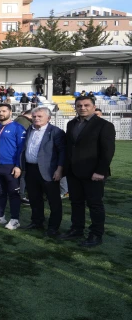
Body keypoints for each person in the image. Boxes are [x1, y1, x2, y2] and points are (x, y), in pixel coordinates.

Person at [62, 96, 116, 247]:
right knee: (76, 203)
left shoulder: (104, 125)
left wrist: (101, 171)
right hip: (74, 172)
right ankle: (77, 229)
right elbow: (69, 147)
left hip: (94, 173)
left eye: (86, 105)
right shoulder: (71, 124)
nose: (82, 108)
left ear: (93, 106)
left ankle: (96, 234)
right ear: (75, 107)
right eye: (79, 105)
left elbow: (108, 151)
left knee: (95, 205)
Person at [20, 107, 65, 236]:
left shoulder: (56, 132)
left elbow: (62, 152)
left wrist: (59, 170)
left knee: (53, 201)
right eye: (34, 116)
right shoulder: (29, 129)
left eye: (40, 116)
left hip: (49, 171)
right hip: (31, 169)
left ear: (48, 118)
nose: (36, 118)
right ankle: (37, 221)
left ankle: (53, 227)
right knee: (34, 198)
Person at [0, 104, 27, 230]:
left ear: (10, 112)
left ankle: (15, 219)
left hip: (11, 166)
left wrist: (18, 166)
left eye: (4, 111)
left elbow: (21, 149)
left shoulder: (18, 127)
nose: (1, 113)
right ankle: (0, 215)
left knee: (13, 194)